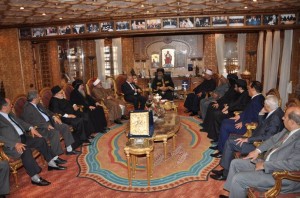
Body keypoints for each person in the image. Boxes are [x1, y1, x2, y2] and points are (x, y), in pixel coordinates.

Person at [221, 106, 300, 198]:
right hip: (267, 162)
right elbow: (272, 140)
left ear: (292, 122)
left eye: (285, 117)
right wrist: (257, 150)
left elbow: (293, 164)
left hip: (280, 176)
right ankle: (234, 194)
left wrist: (265, 165)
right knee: (235, 163)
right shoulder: (287, 129)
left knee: (238, 178)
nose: (282, 118)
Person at [210, 95, 284, 181]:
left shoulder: (275, 118)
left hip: (258, 145)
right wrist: (261, 114)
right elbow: (263, 126)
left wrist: (247, 139)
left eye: (264, 104)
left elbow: (268, 137)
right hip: (255, 139)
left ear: (268, 106)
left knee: (230, 142)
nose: (263, 105)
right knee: (231, 137)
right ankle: (227, 169)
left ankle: (225, 174)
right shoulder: (275, 112)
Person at [0, 97, 66, 187]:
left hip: (24, 137)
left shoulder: (10, 114)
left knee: (41, 140)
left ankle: (51, 163)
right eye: (10, 105)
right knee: (25, 150)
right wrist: (14, 144)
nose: (12, 106)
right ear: (4, 107)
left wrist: (31, 128)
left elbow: (21, 122)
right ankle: (35, 178)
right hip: (12, 144)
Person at [210, 81, 265, 157]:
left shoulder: (257, 101)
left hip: (247, 126)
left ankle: (222, 151)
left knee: (226, 126)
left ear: (253, 89)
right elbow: (247, 111)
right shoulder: (257, 97)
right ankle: (220, 146)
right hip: (243, 120)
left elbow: (257, 118)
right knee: (225, 121)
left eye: (249, 88)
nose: (248, 89)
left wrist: (243, 122)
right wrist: (239, 116)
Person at [22, 90, 78, 156]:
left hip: (50, 122)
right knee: (54, 133)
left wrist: (54, 116)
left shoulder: (38, 104)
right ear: (34, 99)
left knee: (64, 126)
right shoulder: (27, 109)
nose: (40, 98)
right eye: (38, 97)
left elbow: (48, 111)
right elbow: (30, 122)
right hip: (41, 128)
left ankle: (69, 149)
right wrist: (46, 125)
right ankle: (56, 156)